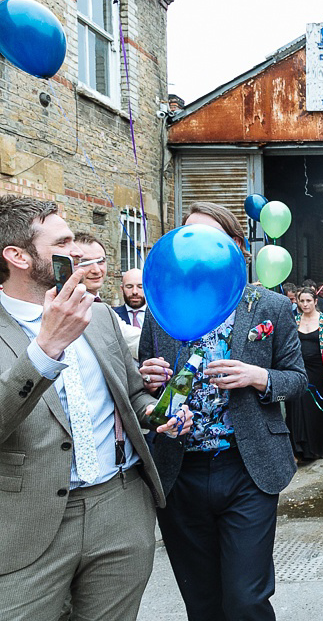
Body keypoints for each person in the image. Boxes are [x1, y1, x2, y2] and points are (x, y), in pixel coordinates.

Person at [0, 195, 190, 620]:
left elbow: (133, 392)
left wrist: (156, 413)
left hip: (118, 507)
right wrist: (46, 347)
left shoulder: (99, 316)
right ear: (18, 256)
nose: (78, 253)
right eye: (63, 243)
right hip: (25, 523)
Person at [138, 201, 307, 621]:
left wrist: (257, 376)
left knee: (245, 598)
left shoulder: (267, 306)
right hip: (180, 470)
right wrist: (148, 380)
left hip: (247, 467)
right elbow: (144, 390)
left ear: (233, 245)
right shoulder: (162, 304)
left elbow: (297, 378)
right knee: (203, 602)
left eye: (208, 238)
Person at [286, 288, 323, 463]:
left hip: (318, 372)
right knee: (296, 408)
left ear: (315, 301)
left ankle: (314, 448)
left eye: (309, 300)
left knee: (315, 408)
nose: (305, 304)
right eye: (302, 301)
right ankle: (297, 449)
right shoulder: (294, 321)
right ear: (298, 302)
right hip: (297, 369)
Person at [112, 267, 148, 358]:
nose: (134, 292)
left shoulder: (158, 318)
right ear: (122, 288)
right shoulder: (112, 316)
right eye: (129, 286)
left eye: (140, 286)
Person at [72, 233, 107, 300]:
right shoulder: (61, 308)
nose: (96, 270)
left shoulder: (106, 308)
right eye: (85, 262)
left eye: (100, 261)